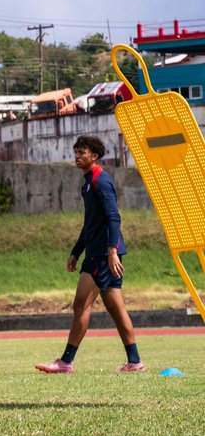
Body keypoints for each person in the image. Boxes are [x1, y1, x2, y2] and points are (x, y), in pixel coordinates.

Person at [36, 135, 143, 374]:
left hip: (102, 255)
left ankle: (65, 362)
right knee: (115, 308)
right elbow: (90, 224)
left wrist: (112, 251)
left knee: (80, 305)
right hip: (98, 252)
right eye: (76, 151)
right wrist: (76, 252)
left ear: (94, 156)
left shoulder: (100, 180)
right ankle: (135, 362)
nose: (77, 156)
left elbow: (113, 216)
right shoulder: (87, 182)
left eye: (82, 152)